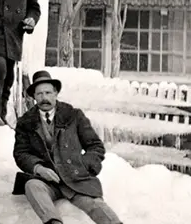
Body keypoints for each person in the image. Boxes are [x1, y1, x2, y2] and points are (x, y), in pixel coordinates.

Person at [13, 71, 123, 224]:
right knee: (32, 185)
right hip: (49, 181)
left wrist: (82, 165)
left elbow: (95, 146)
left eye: (48, 93)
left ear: (56, 93)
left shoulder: (73, 115)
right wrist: (38, 168)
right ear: (34, 97)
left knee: (96, 206)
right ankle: (53, 222)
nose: (44, 98)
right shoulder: (25, 122)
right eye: (39, 94)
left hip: (75, 178)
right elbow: (21, 153)